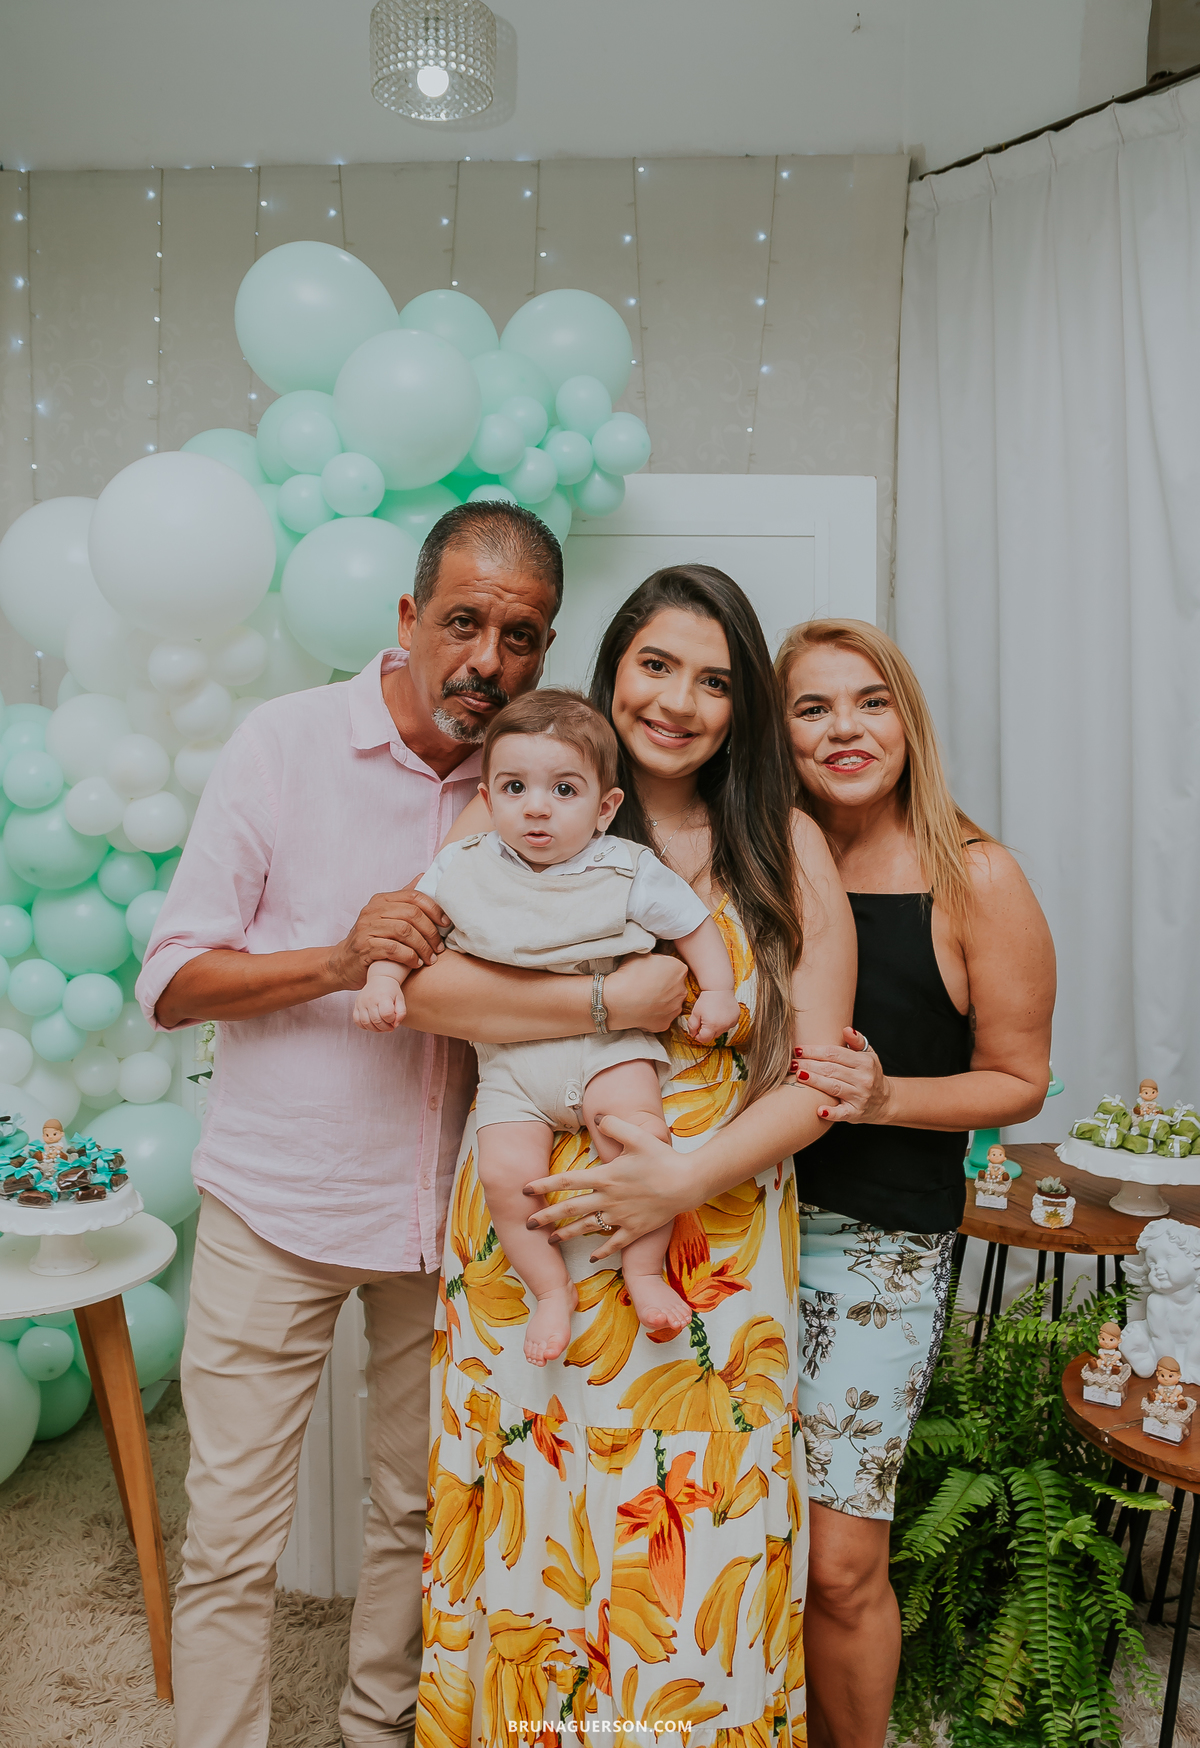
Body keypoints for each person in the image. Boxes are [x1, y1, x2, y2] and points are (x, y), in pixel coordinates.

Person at [136, 502, 685, 1748]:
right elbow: (169, 981)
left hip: (447, 1214)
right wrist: (337, 959)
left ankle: (375, 1727)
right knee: (230, 1535)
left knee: (412, 1511)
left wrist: (616, 1003)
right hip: (274, 1205)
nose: (488, 658)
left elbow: (578, 964)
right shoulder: (281, 744)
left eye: (521, 635)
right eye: (464, 622)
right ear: (407, 618)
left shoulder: (545, 787)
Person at [415, 566, 856, 1747]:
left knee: (686, 1545)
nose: (680, 700)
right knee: (536, 1524)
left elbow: (821, 1074)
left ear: (741, 705)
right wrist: (614, 996)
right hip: (531, 1225)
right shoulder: (526, 795)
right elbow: (427, 987)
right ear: (613, 665)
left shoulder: (787, 843)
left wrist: (680, 1177)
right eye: (657, 664)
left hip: (710, 1237)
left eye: (716, 680)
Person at [773, 618, 1055, 1748]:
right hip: (741, 1227)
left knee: (843, 1560)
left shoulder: (973, 872)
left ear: (908, 718)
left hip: (880, 1240)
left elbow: (1020, 1079)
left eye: (870, 700)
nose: (846, 727)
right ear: (778, 732)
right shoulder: (758, 858)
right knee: (746, 1530)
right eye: (812, 707)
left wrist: (885, 1097)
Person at [355, 689, 740, 1361]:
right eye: (514, 787)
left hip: (609, 1050)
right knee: (507, 1177)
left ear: (604, 807)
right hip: (510, 1064)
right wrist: (383, 982)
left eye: (564, 790)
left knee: (639, 1140)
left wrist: (719, 989)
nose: (537, 807)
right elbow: (411, 932)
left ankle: (643, 1274)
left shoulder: (626, 868)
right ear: (490, 796)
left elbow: (694, 926)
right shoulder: (463, 865)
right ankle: (550, 1290)